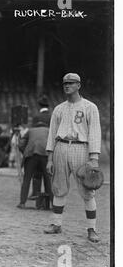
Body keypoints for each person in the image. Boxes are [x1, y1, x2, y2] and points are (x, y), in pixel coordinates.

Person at [44, 73, 102, 243]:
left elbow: (95, 133)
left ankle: (92, 229)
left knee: (87, 190)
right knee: (59, 187)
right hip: (61, 147)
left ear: (79, 85)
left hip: (81, 148)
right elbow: (51, 134)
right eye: (65, 83)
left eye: (71, 83)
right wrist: (49, 158)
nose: (67, 86)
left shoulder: (90, 107)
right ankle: (56, 224)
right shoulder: (59, 108)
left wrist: (94, 158)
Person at [17, 120, 52, 209]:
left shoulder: (30, 130)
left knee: (27, 179)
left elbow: (21, 144)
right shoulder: (49, 130)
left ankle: (22, 202)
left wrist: (25, 152)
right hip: (45, 155)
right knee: (48, 180)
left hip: (31, 155)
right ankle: (53, 204)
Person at [29, 95, 52, 200]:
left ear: (39, 106)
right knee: (48, 174)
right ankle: (49, 194)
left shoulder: (36, 116)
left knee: (37, 172)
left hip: (37, 148)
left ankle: (36, 193)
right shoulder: (52, 116)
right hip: (49, 149)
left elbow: (33, 134)